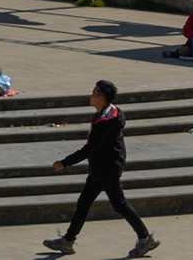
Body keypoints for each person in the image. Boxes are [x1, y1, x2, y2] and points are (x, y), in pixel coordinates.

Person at [43, 79, 158, 257]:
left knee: (119, 205)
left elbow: (90, 148)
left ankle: (145, 238)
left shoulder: (107, 121)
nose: (91, 95)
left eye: (94, 93)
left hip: (108, 169)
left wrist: (65, 162)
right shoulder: (108, 113)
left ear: (101, 98)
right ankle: (68, 241)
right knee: (84, 203)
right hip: (99, 167)